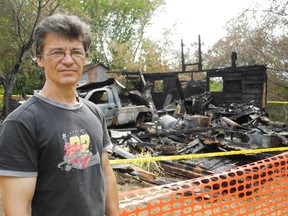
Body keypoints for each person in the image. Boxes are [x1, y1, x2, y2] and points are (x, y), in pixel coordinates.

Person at [0, 14, 119, 216]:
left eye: (76, 52)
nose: (68, 60)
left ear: (85, 58)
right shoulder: (21, 123)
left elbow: (106, 174)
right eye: (57, 53)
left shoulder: (94, 112)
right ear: (39, 58)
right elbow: (18, 207)